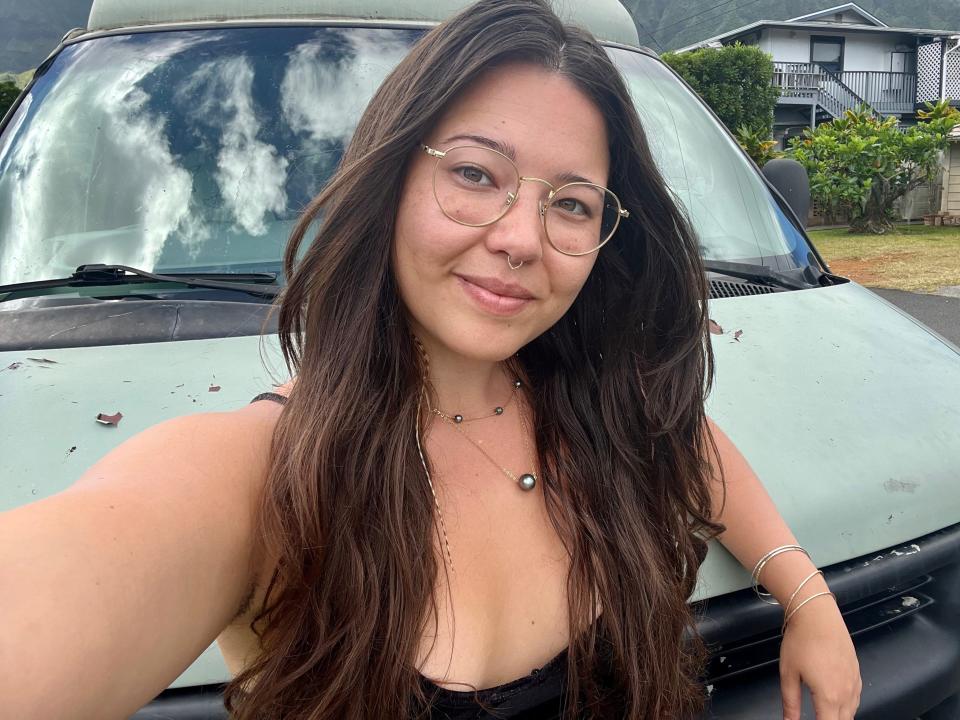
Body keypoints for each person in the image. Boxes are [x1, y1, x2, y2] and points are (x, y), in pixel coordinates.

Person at [1, 1, 861, 718]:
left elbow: (689, 445)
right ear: (391, 183)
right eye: (479, 176)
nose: (522, 239)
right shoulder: (266, 474)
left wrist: (807, 598)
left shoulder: (598, 404)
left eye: (571, 203)